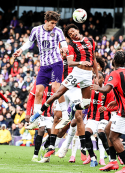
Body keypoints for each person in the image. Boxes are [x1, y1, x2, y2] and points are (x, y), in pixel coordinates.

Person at [33, 23, 99, 162]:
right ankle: (50, 147)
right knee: (58, 118)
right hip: (62, 88)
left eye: (73, 32)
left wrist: (95, 74)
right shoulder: (56, 55)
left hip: (75, 86)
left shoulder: (76, 48)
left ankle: (84, 151)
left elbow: (90, 59)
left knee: (78, 117)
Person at [13, 11, 69, 130]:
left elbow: (63, 42)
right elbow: (29, 42)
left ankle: (65, 115)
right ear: (46, 21)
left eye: (55, 23)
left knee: (55, 88)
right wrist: (20, 50)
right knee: (38, 91)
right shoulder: (36, 30)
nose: (53, 25)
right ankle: (37, 119)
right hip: (44, 66)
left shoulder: (58, 31)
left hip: (56, 63)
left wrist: (64, 47)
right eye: (51, 23)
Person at [91, 51, 125, 172]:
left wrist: (98, 88)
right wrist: (116, 102)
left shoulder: (115, 73)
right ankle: (113, 162)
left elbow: (107, 89)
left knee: (114, 137)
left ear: (114, 61)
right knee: (107, 130)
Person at [83, 72, 117, 167]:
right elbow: (84, 102)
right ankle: (93, 158)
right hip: (92, 118)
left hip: (104, 118)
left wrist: (106, 108)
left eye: (99, 78)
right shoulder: (89, 90)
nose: (96, 80)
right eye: (95, 78)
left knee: (101, 133)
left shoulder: (109, 91)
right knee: (86, 134)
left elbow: (116, 106)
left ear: (103, 80)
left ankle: (111, 157)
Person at [26, 81, 54, 162]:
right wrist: (28, 113)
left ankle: (44, 148)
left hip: (49, 115)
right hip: (39, 113)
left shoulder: (56, 84)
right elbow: (30, 98)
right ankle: (35, 156)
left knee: (52, 134)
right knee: (41, 130)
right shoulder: (39, 83)